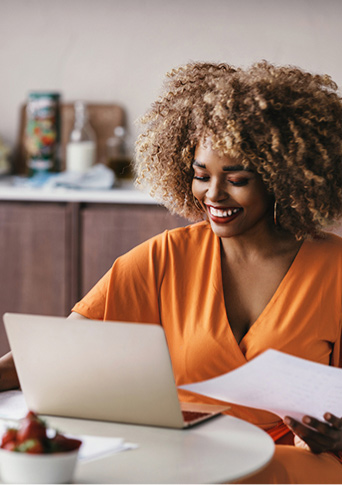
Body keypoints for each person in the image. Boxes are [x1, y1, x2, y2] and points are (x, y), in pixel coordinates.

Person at [2, 60, 342, 483]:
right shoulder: (164, 257)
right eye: (201, 176)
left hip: (293, 463)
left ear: (282, 178)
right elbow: (60, 352)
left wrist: (335, 437)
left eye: (237, 179)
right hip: (186, 456)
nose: (213, 194)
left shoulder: (335, 269)